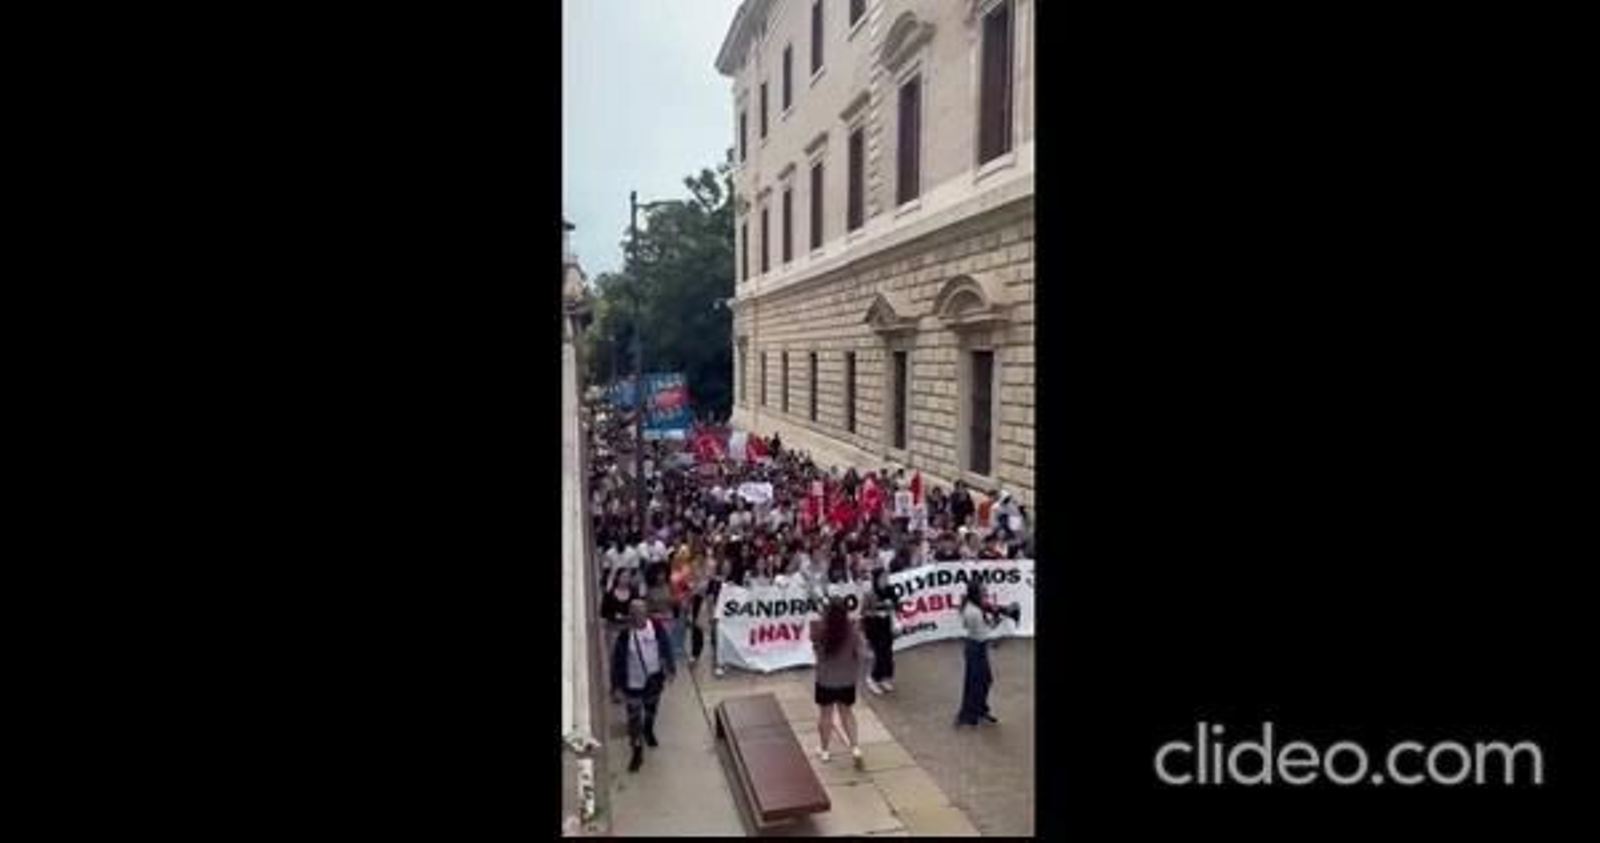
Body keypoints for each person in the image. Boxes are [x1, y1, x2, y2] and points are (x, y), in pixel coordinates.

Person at [610, 599, 677, 772]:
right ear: (631, 615)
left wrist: (670, 669)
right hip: (633, 683)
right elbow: (617, 662)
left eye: (641, 612)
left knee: (651, 708)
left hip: (653, 679)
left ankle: (649, 729)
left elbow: (666, 647)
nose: (638, 616)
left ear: (646, 613)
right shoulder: (625, 636)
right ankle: (637, 751)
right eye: (635, 613)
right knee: (633, 719)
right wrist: (616, 686)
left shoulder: (656, 627)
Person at [810, 597, 868, 768]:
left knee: (825, 716)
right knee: (847, 714)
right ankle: (855, 748)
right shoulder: (853, 631)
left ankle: (825, 750)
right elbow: (862, 653)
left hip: (825, 680)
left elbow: (814, 645)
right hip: (847, 680)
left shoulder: (819, 629)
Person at [955, 579, 1002, 727]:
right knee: (976, 682)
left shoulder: (976, 607)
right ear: (976, 593)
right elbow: (984, 634)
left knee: (983, 680)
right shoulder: (973, 611)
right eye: (983, 590)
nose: (986, 591)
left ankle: (978, 710)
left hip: (977, 646)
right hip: (975, 646)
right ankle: (971, 713)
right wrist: (998, 624)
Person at [860, 568, 897, 694]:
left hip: (886, 625)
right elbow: (864, 612)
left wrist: (891, 609)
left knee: (888, 653)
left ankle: (884, 677)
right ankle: (872, 678)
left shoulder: (890, 590)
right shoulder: (870, 594)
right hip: (874, 627)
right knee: (880, 653)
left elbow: (896, 604)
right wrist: (876, 613)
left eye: (886, 577)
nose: (885, 580)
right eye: (882, 578)